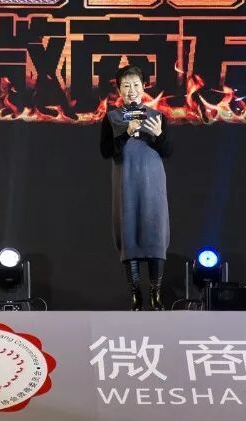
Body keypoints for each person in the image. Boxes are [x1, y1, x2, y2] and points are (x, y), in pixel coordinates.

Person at [99, 65, 172, 311]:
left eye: (136, 85)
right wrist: (125, 134)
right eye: (126, 86)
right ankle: (135, 295)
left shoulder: (157, 116)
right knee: (128, 234)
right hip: (126, 181)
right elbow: (106, 151)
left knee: (155, 234)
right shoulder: (112, 118)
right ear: (119, 90)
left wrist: (160, 135)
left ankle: (156, 293)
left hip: (152, 183)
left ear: (143, 87)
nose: (131, 90)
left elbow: (168, 151)